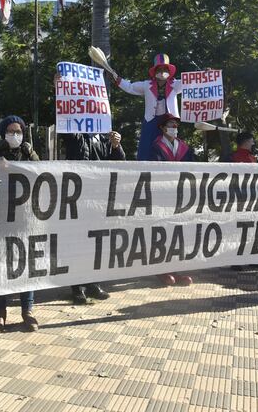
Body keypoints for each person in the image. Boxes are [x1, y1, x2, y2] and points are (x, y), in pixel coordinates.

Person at [0, 115, 40, 333]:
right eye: (11, 131)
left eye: (19, 132)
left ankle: (28, 311)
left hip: (24, 220)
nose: (15, 135)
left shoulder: (28, 154)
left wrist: (30, 153)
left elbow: (40, 175)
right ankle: (0, 314)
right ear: (3, 134)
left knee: (26, 266)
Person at [62, 131, 125, 304]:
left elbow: (119, 163)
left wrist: (116, 146)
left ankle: (93, 284)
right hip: (77, 197)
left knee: (95, 243)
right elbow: (67, 134)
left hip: (99, 198)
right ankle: (76, 287)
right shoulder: (75, 135)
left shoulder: (106, 139)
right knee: (76, 243)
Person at [111, 54, 183, 160]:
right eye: (159, 69)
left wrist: (206, 75)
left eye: (164, 69)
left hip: (169, 122)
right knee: (146, 147)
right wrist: (117, 79)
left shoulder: (175, 84)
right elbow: (130, 87)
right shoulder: (146, 85)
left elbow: (192, 82)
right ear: (155, 71)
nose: (162, 72)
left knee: (170, 148)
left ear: (169, 71)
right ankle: (144, 171)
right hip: (151, 120)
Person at [150, 114, 194, 285]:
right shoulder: (156, 146)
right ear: (162, 127)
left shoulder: (184, 146)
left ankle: (178, 269)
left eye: (176, 125)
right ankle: (162, 269)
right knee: (164, 231)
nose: (174, 127)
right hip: (164, 194)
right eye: (170, 124)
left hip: (182, 194)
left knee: (180, 232)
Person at [229, 131, 258, 271]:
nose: (253, 144)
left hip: (252, 198)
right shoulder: (234, 157)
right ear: (246, 142)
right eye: (252, 141)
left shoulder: (250, 157)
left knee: (251, 229)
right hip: (240, 199)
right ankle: (237, 259)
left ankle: (252, 258)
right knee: (241, 230)